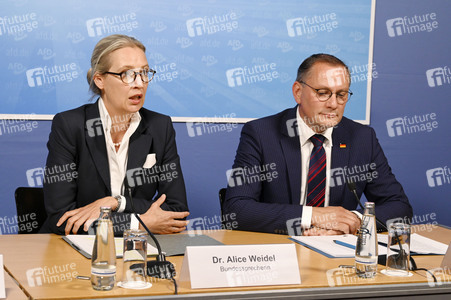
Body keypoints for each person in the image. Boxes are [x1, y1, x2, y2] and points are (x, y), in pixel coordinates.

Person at [223, 53, 412, 236]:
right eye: (323, 93)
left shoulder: (362, 138)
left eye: (341, 95)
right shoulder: (261, 133)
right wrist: (313, 216)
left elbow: (399, 207)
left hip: (338, 253)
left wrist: (353, 220)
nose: (333, 104)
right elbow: (237, 209)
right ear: (298, 92)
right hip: (281, 250)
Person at [40, 34, 189, 235]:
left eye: (144, 73)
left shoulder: (159, 127)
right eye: (126, 74)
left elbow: (176, 211)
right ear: (100, 80)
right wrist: (138, 223)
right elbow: (63, 217)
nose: (139, 83)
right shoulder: (70, 125)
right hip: (73, 250)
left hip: (136, 251)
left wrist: (116, 202)